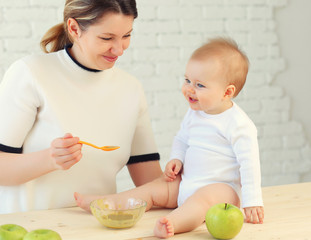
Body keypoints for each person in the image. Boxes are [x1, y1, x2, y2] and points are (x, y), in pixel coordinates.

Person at [75, 37, 264, 238]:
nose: (189, 89)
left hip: (222, 190)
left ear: (227, 92)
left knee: (201, 202)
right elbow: (182, 139)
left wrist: (253, 201)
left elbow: (250, 164)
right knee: (152, 189)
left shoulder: (239, 125)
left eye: (200, 85)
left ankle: (172, 223)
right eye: (187, 80)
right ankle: (107, 204)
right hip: (186, 182)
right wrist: (177, 158)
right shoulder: (195, 113)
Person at [0, 0, 162, 214]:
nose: (119, 49)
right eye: (107, 38)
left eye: (127, 36)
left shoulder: (131, 89)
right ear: (74, 28)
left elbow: (151, 182)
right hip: (31, 230)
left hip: (96, 229)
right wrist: (49, 159)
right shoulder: (30, 74)